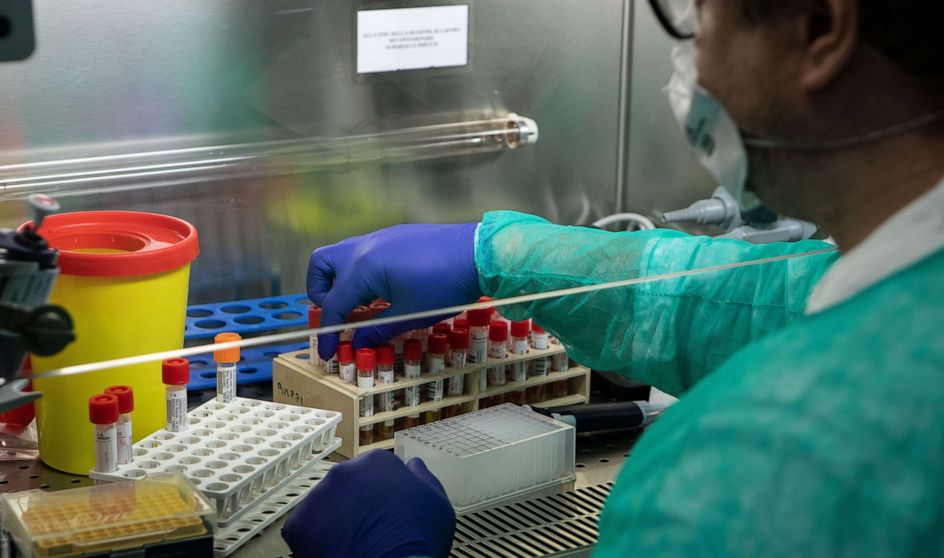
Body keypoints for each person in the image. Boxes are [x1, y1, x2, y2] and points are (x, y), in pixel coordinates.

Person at [283, 0, 944, 556]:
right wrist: (497, 255)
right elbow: (756, 302)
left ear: (823, 28)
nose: (693, 59)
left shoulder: (751, 472)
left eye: (697, 14)